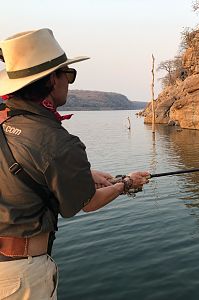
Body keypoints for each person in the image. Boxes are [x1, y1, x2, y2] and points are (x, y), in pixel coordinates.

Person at [0, 28, 149, 299]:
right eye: (67, 74)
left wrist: (85, 173)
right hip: (19, 278)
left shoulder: (4, 119)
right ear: (51, 80)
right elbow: (88, 203)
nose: (69, 82)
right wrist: (126, 184)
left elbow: (23, 166)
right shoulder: (58, 142)